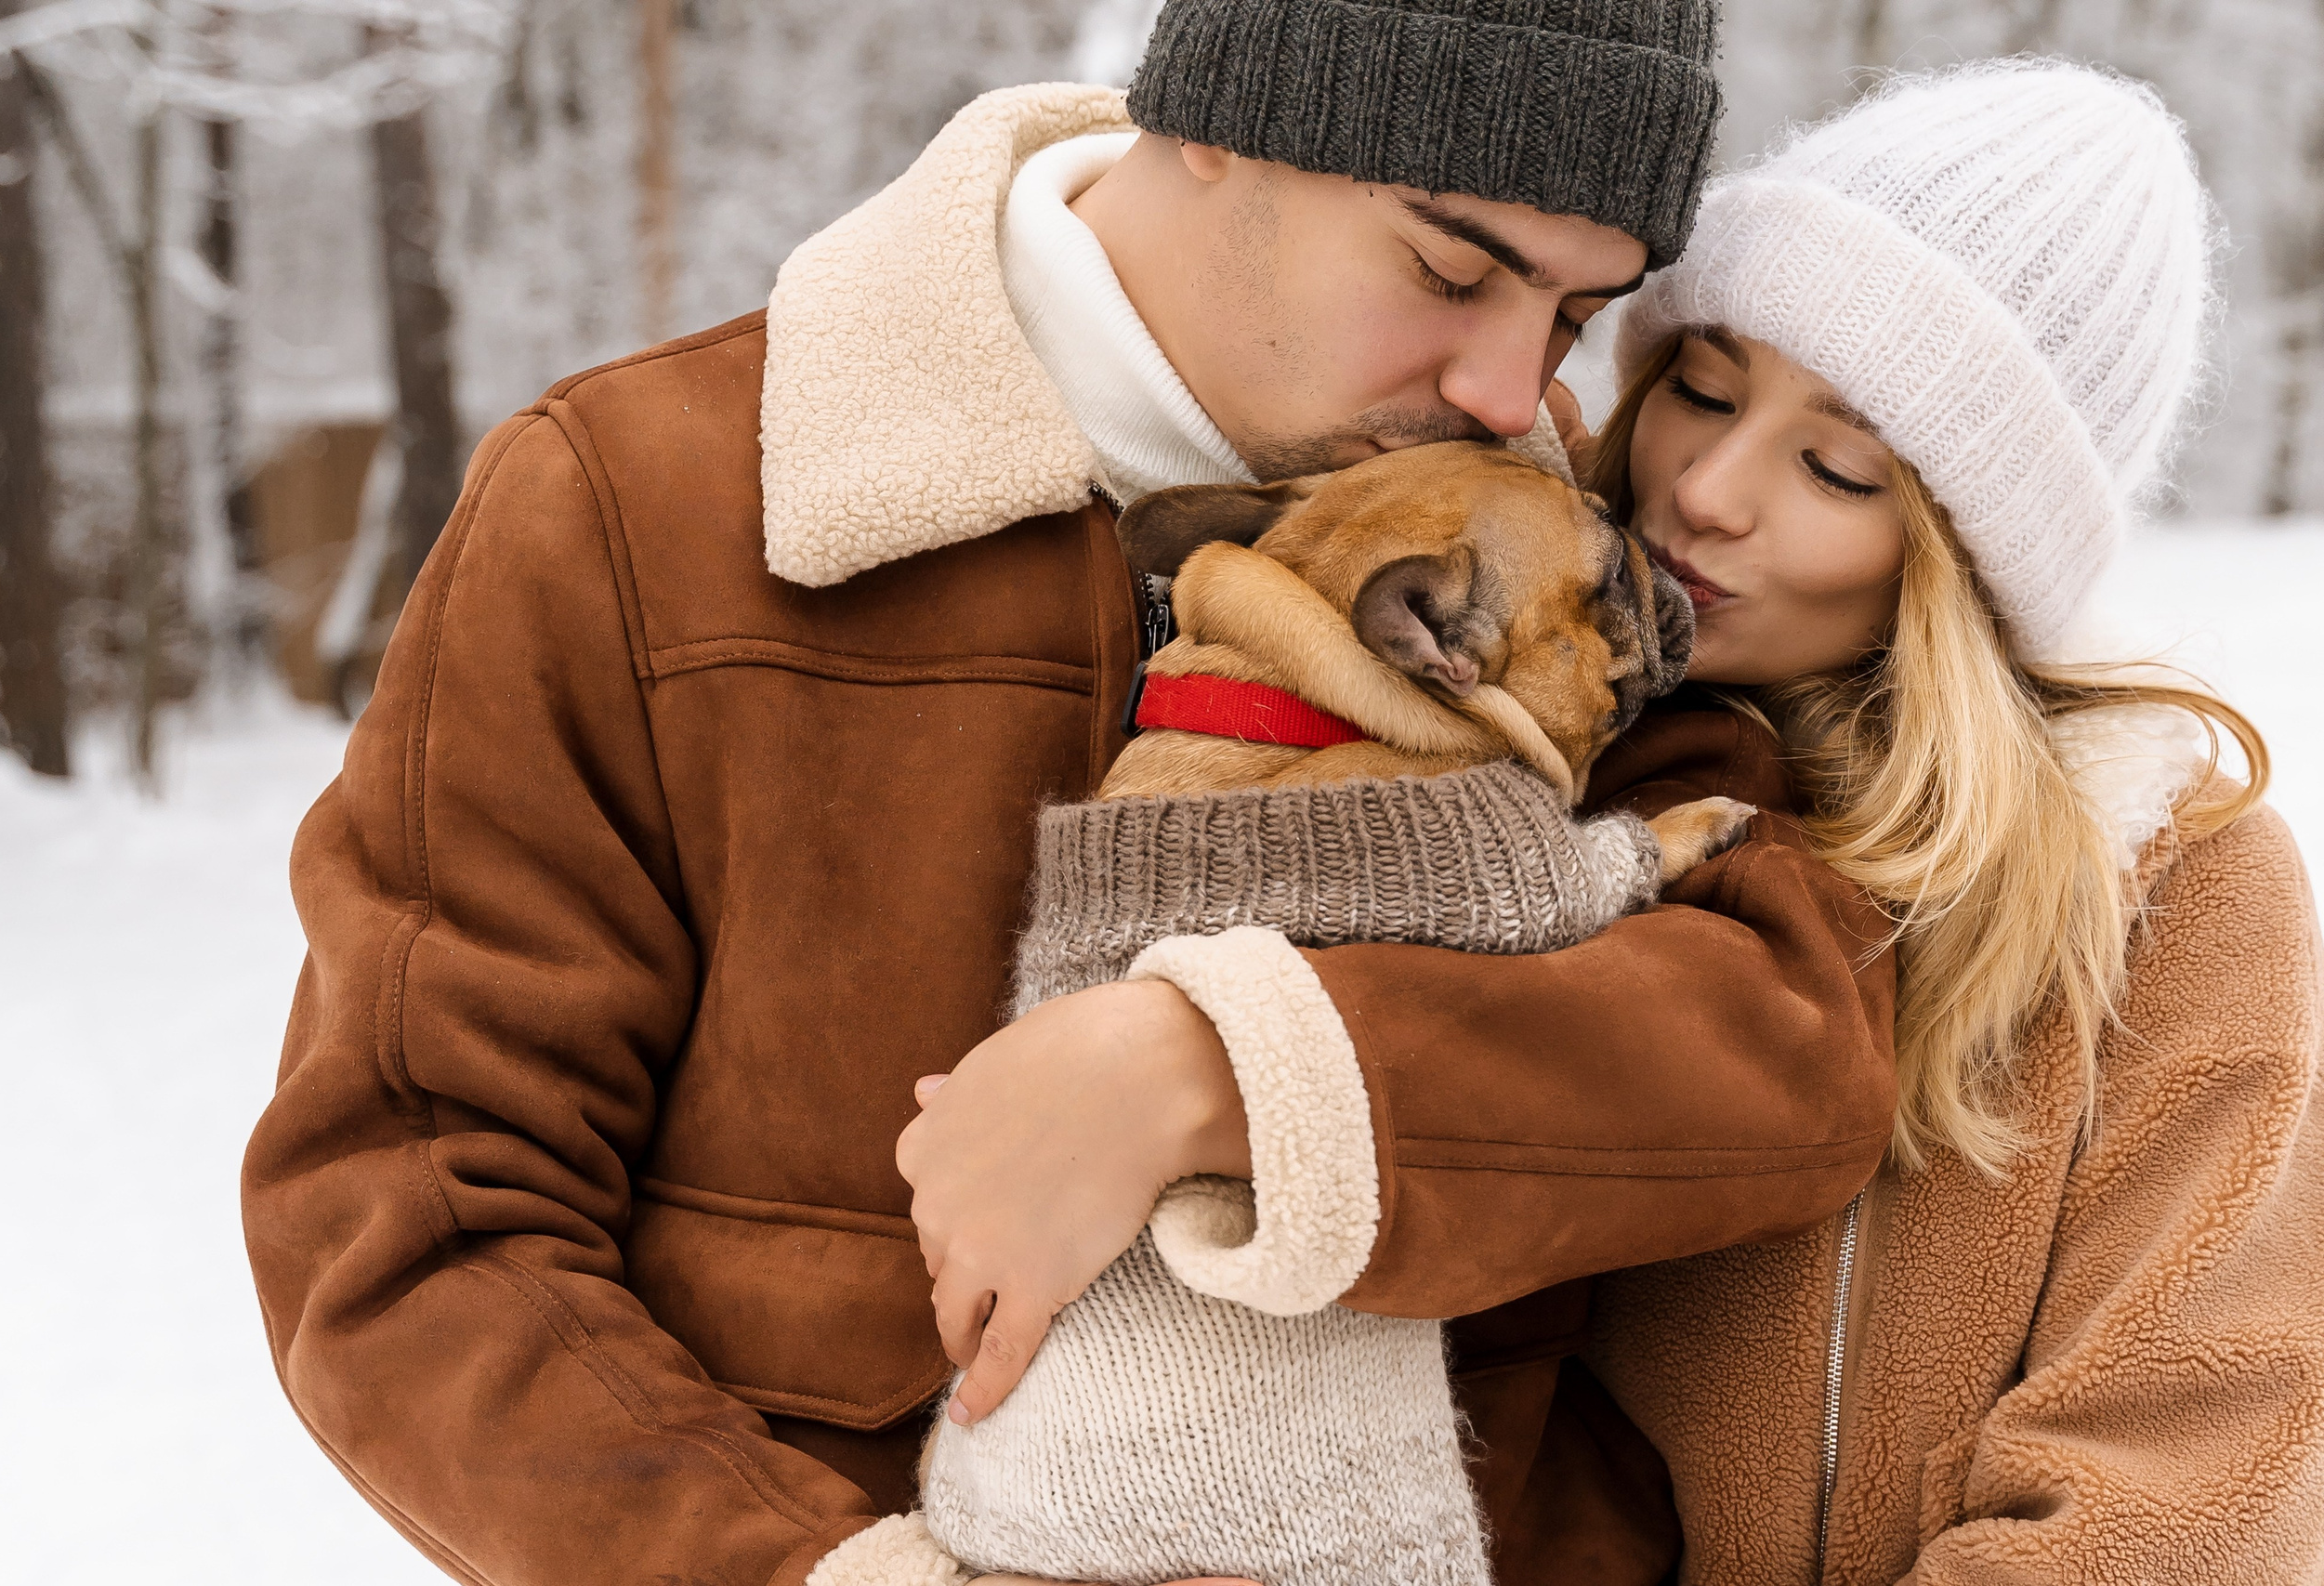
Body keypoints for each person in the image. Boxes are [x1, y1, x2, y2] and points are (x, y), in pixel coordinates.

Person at [243, 4, 1901, 1584]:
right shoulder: (639, 506)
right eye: (1454, 266)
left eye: (1572, 316)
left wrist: (1229, 1067)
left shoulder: (1532, 539)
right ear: (1222, 120)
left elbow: (1786, 1031)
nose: (1506, 385)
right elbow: (410, 1215)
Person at [1559, 61, 2324, 1583]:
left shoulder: (2169, 883)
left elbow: (2183, 1490)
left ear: (1967, 554)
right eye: (1703, 387)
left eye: (1838, 465)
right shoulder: (1493, 759)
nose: (1705, 489)